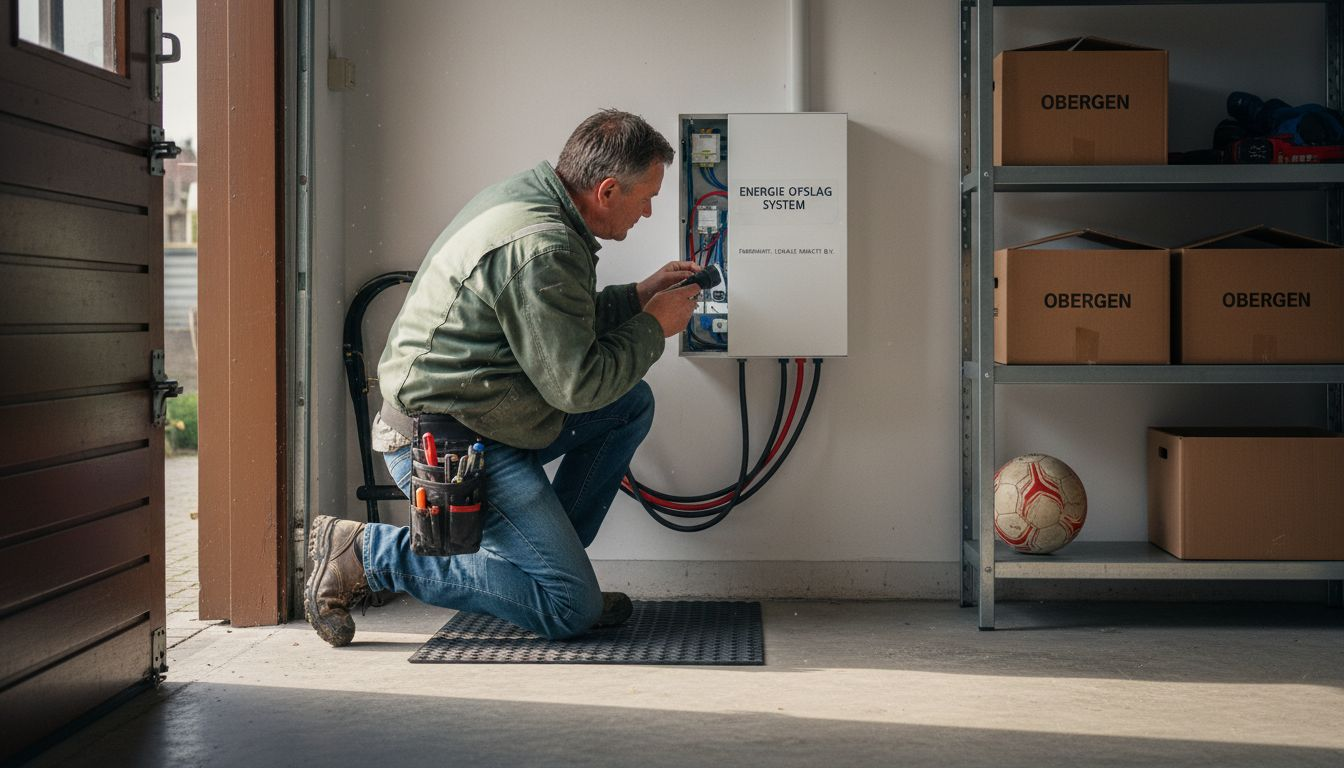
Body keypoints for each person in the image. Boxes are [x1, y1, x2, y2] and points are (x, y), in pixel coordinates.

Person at [305, 109, 702, 647]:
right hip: (445, 444)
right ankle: (365, 554)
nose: (651, 210)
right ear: (607, 190)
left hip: (485, 414)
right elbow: (577, 386)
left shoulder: (532, 199)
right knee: (569, 609)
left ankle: (541, 569)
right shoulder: (546, 245)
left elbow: (553, 323)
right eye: (646, 196)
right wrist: (654, 327)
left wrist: (637, 297)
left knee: (628, 403)